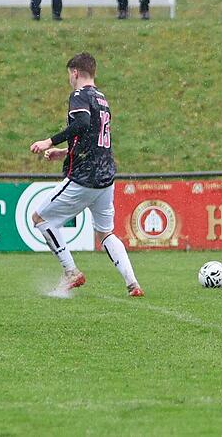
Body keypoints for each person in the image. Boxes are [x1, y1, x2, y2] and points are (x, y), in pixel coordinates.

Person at [29, 52, 144, 298]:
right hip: (106, 177)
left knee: (40, 218)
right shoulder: (102, 99)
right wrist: (65, 152)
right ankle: (133, 283)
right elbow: (93, 137)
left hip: (85, 177)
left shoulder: (79, 96)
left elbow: (81, 124)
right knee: (106, 234)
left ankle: (71, 271)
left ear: (75, 72)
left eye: (69, 75)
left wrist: (49, 140)